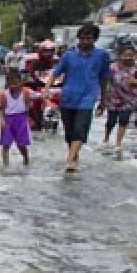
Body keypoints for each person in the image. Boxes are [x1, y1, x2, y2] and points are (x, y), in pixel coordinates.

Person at [43, 23, 111, 172]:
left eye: (90, 38)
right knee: (69, 133)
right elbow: (55, 73)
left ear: (95, 39)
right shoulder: (68, 55)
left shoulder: (102, 56)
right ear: (78, 38)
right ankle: (74, 156)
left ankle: (69, 161)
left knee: (80, 129)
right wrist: (46, 90)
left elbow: (104, 78)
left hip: (88, 98)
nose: (86, 41)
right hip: (68, 97)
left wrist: (103, 101)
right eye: (83, 38)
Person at [98, 45, 137, 157]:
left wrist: (135, 81)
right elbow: (105, 81)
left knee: (124, 120)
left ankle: (118, 143)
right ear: (120, 56)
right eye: (125, 55)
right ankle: (106, 138)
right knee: (111, 121)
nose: (128, 58)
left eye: (131, 55)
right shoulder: (113, 67)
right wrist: (103, 98)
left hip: (129, 99)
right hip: (113, 99)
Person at [0, 70, 35, 168]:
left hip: (21, 119)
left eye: (15, 83)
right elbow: (0, 108)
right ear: (7, 83)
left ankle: (26, 160)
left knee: (21, 145)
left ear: (21, 82)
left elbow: (39, 97)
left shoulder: (26, 92)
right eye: (10, 84)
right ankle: (5, 166)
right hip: (7, 120)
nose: (13, 86)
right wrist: (1, 120)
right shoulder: (4, 94)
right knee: (5, 144)